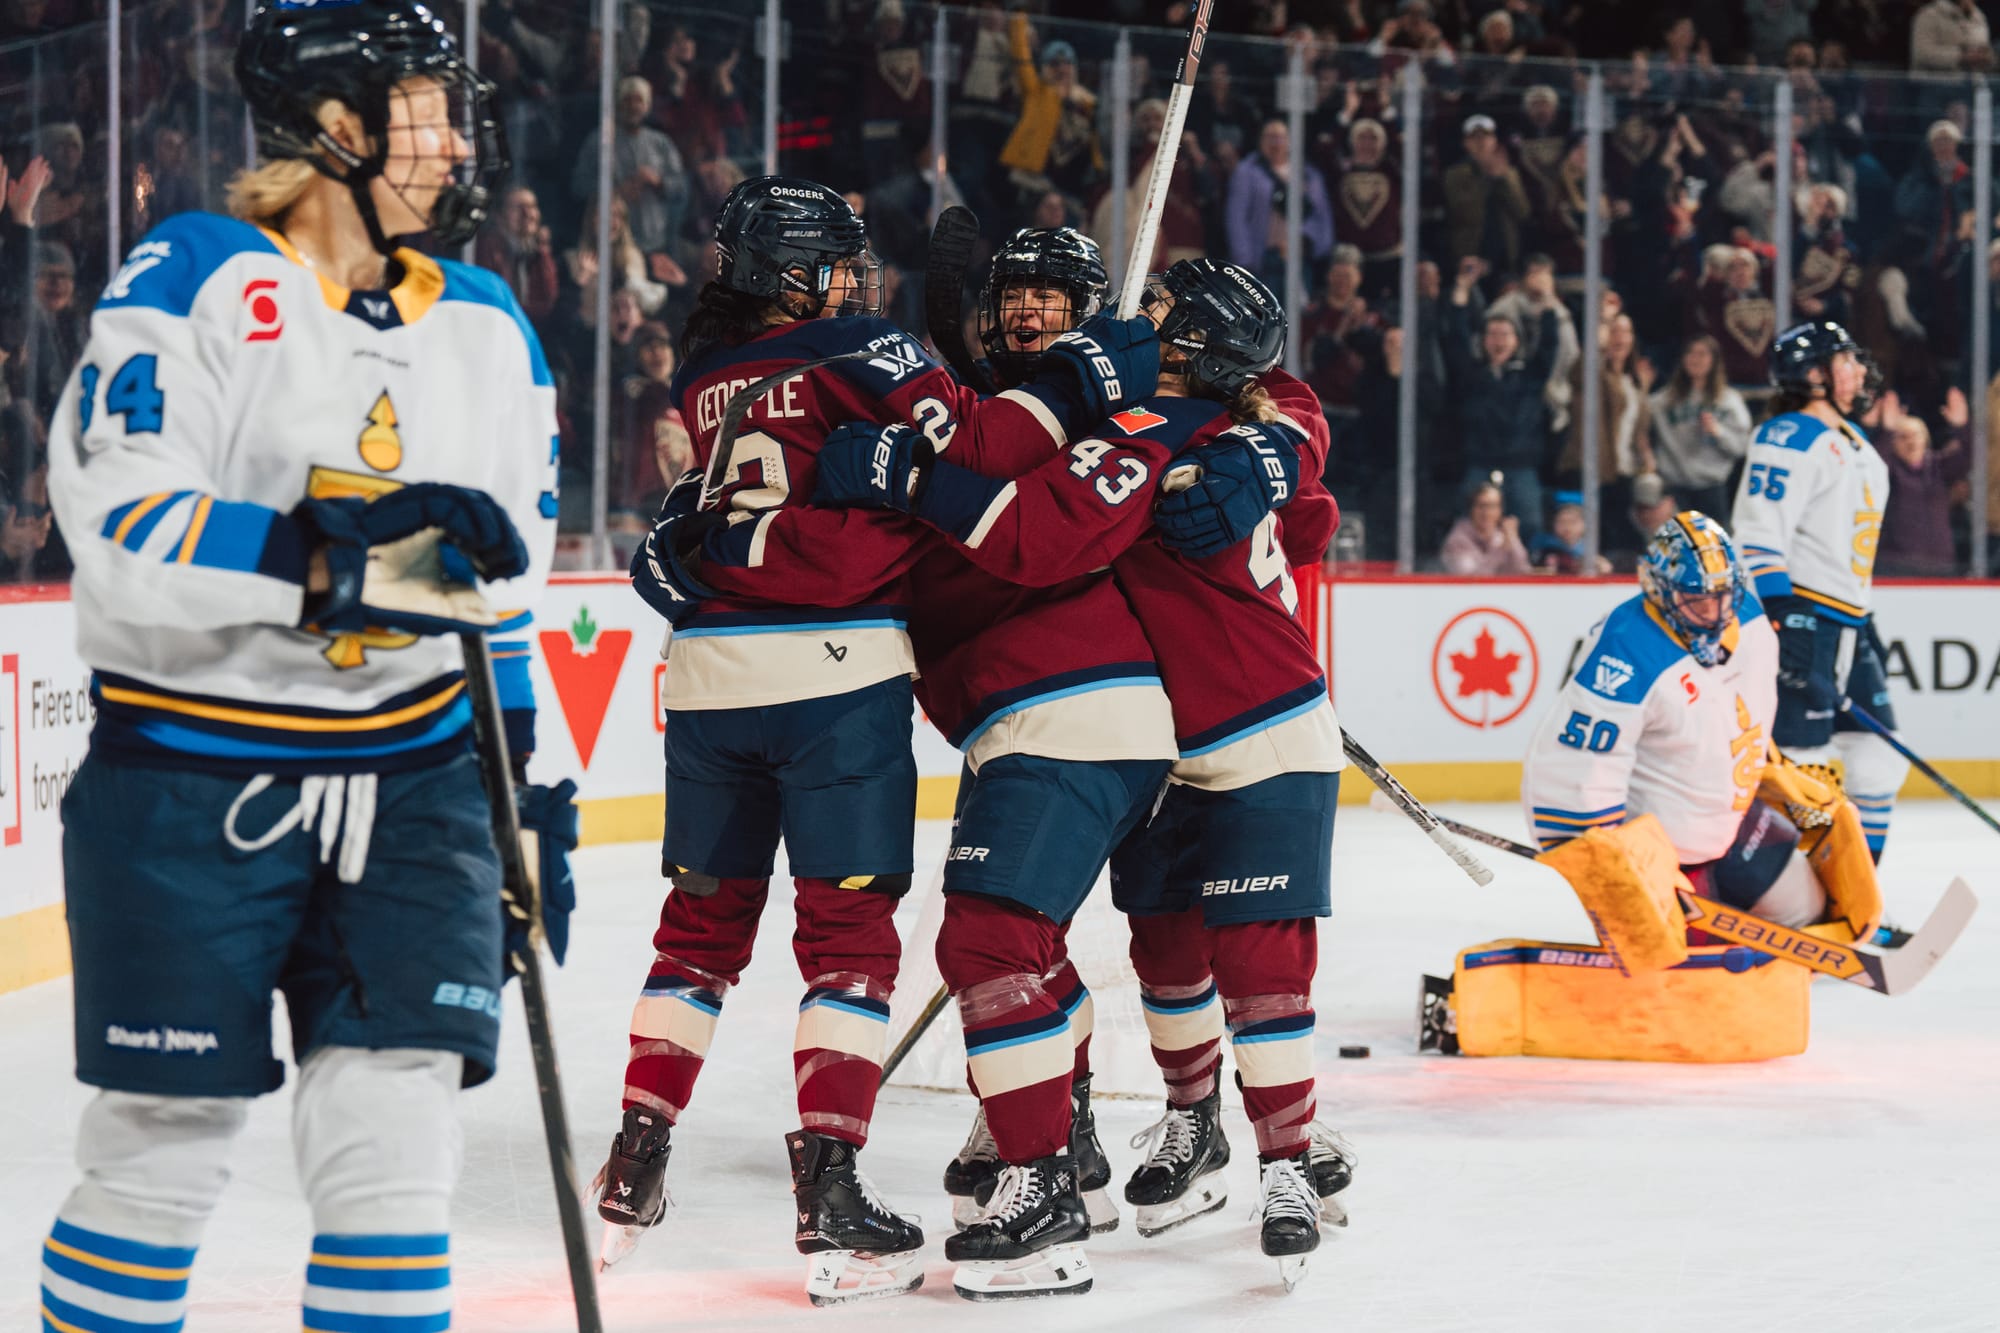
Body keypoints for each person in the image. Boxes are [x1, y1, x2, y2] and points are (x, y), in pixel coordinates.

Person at [39, 6, 566, 1333]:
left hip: (415, 786)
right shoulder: (199, 273)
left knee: (396, 1156)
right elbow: (125, 524)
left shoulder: (490, 324)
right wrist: (325, 555)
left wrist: (521, 790)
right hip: (190, 784)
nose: (455, 138)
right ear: (338, 124)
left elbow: (494, 597)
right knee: (166, 1139)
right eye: (425, 106)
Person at [603, 177, 1155, 1304]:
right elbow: (992, 441)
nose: (856, 280)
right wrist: (1083, 372)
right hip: (832, 672)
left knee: (698, 929)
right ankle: (832, 1200)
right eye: (838, 261)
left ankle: (635, 1157)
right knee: (848, 940)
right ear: (793, 273)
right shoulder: (860, 345)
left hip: (706, 673)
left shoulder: (705, 375)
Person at [812, 258, 1355, 1293]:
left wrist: (1275, 456)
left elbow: (1038, 529)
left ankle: (1285, 1158)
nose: (1135, 323)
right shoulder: (1167, 416)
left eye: (1156, 315)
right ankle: (1194, 1121)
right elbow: (1306, 505)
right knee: (1165, 954)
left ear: (1191, 346)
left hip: (1266, 731)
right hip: (1179, 744)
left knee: (1257, 963)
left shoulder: (1170, 429)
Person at [1733, 321, 1907, 864]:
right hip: (1805, 617)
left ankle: (1859, 897)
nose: (1858, 370)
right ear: (1813, 376)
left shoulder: (1852, 441)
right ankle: (1783, 896)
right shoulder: (1788, 436)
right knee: (1799, 767)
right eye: (1845, 360)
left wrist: (1864, 616)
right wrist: (1782, 616)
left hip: (1848, 621)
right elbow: (1758, 537)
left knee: (1878, 759)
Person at [1649, 334, 1753, 523]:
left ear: (1714, 360)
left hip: (1713, 488)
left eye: (1702, 354)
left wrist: (1719, 432)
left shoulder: (1729, 400)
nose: (1695, 359)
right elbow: (1640, 423)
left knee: (1714, 548)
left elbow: (1742, 447)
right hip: (1675, 487)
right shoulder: (1663, 400)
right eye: (1690, 353)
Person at [1440, 479, 1535, 574]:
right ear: (1471, 509)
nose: (1487, 512)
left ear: (1500, 511)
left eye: (1493, 506)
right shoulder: (1456, 541)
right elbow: (1471, 580)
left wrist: (1513, 540)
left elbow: (1522, 570)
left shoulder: (1501, 537)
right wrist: (1501, 550)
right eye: (1481, 506)